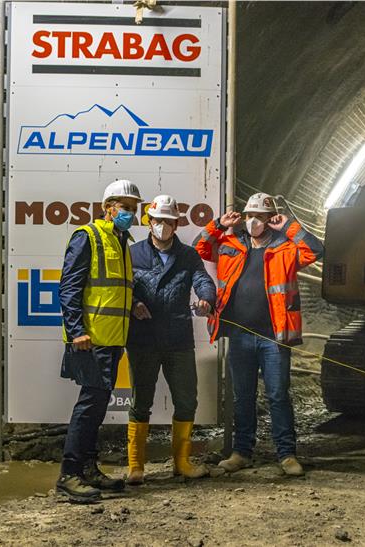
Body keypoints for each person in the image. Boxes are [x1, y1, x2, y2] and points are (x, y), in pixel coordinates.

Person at [194, 192, 324, 475]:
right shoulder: (230, 244)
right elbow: (199, 248)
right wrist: (218, 223)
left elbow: (316, 250)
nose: (254, 221)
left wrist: (288, 226)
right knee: (243, 396)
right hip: (240, 338)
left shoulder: (285, 248)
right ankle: (242, 452)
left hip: (273, 338)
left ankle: (286, 455)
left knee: (278, 395)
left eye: (261, 217)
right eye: (250, 215)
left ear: (270, 219)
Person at [56, 179, 143, 503]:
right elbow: (69, 288)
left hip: (111, 339)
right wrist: (77, 331)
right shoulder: (88, 236)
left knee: (96, 408)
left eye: (134, 209)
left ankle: (88, 469)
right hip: (90, 341)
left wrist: (134, 304)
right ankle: (69, 475)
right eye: (124, 207)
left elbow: (113, 287)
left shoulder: (121, 241)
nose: (130, 214)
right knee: (89, 407)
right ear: (108, 208)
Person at [126, 195, 217, 484]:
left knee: (187, 400)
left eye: (167, 221)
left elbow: (202, 279)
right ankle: (136, 466)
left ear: (176, 224)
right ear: (148, 222)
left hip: (178, 339)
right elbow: (121, 286)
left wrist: (206, 298)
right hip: (143, 339)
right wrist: (132, 304)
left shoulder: (188, 256)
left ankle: (182, 463)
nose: (162, 226)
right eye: (157, 221)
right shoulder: (133, 253)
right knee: (141, 401)